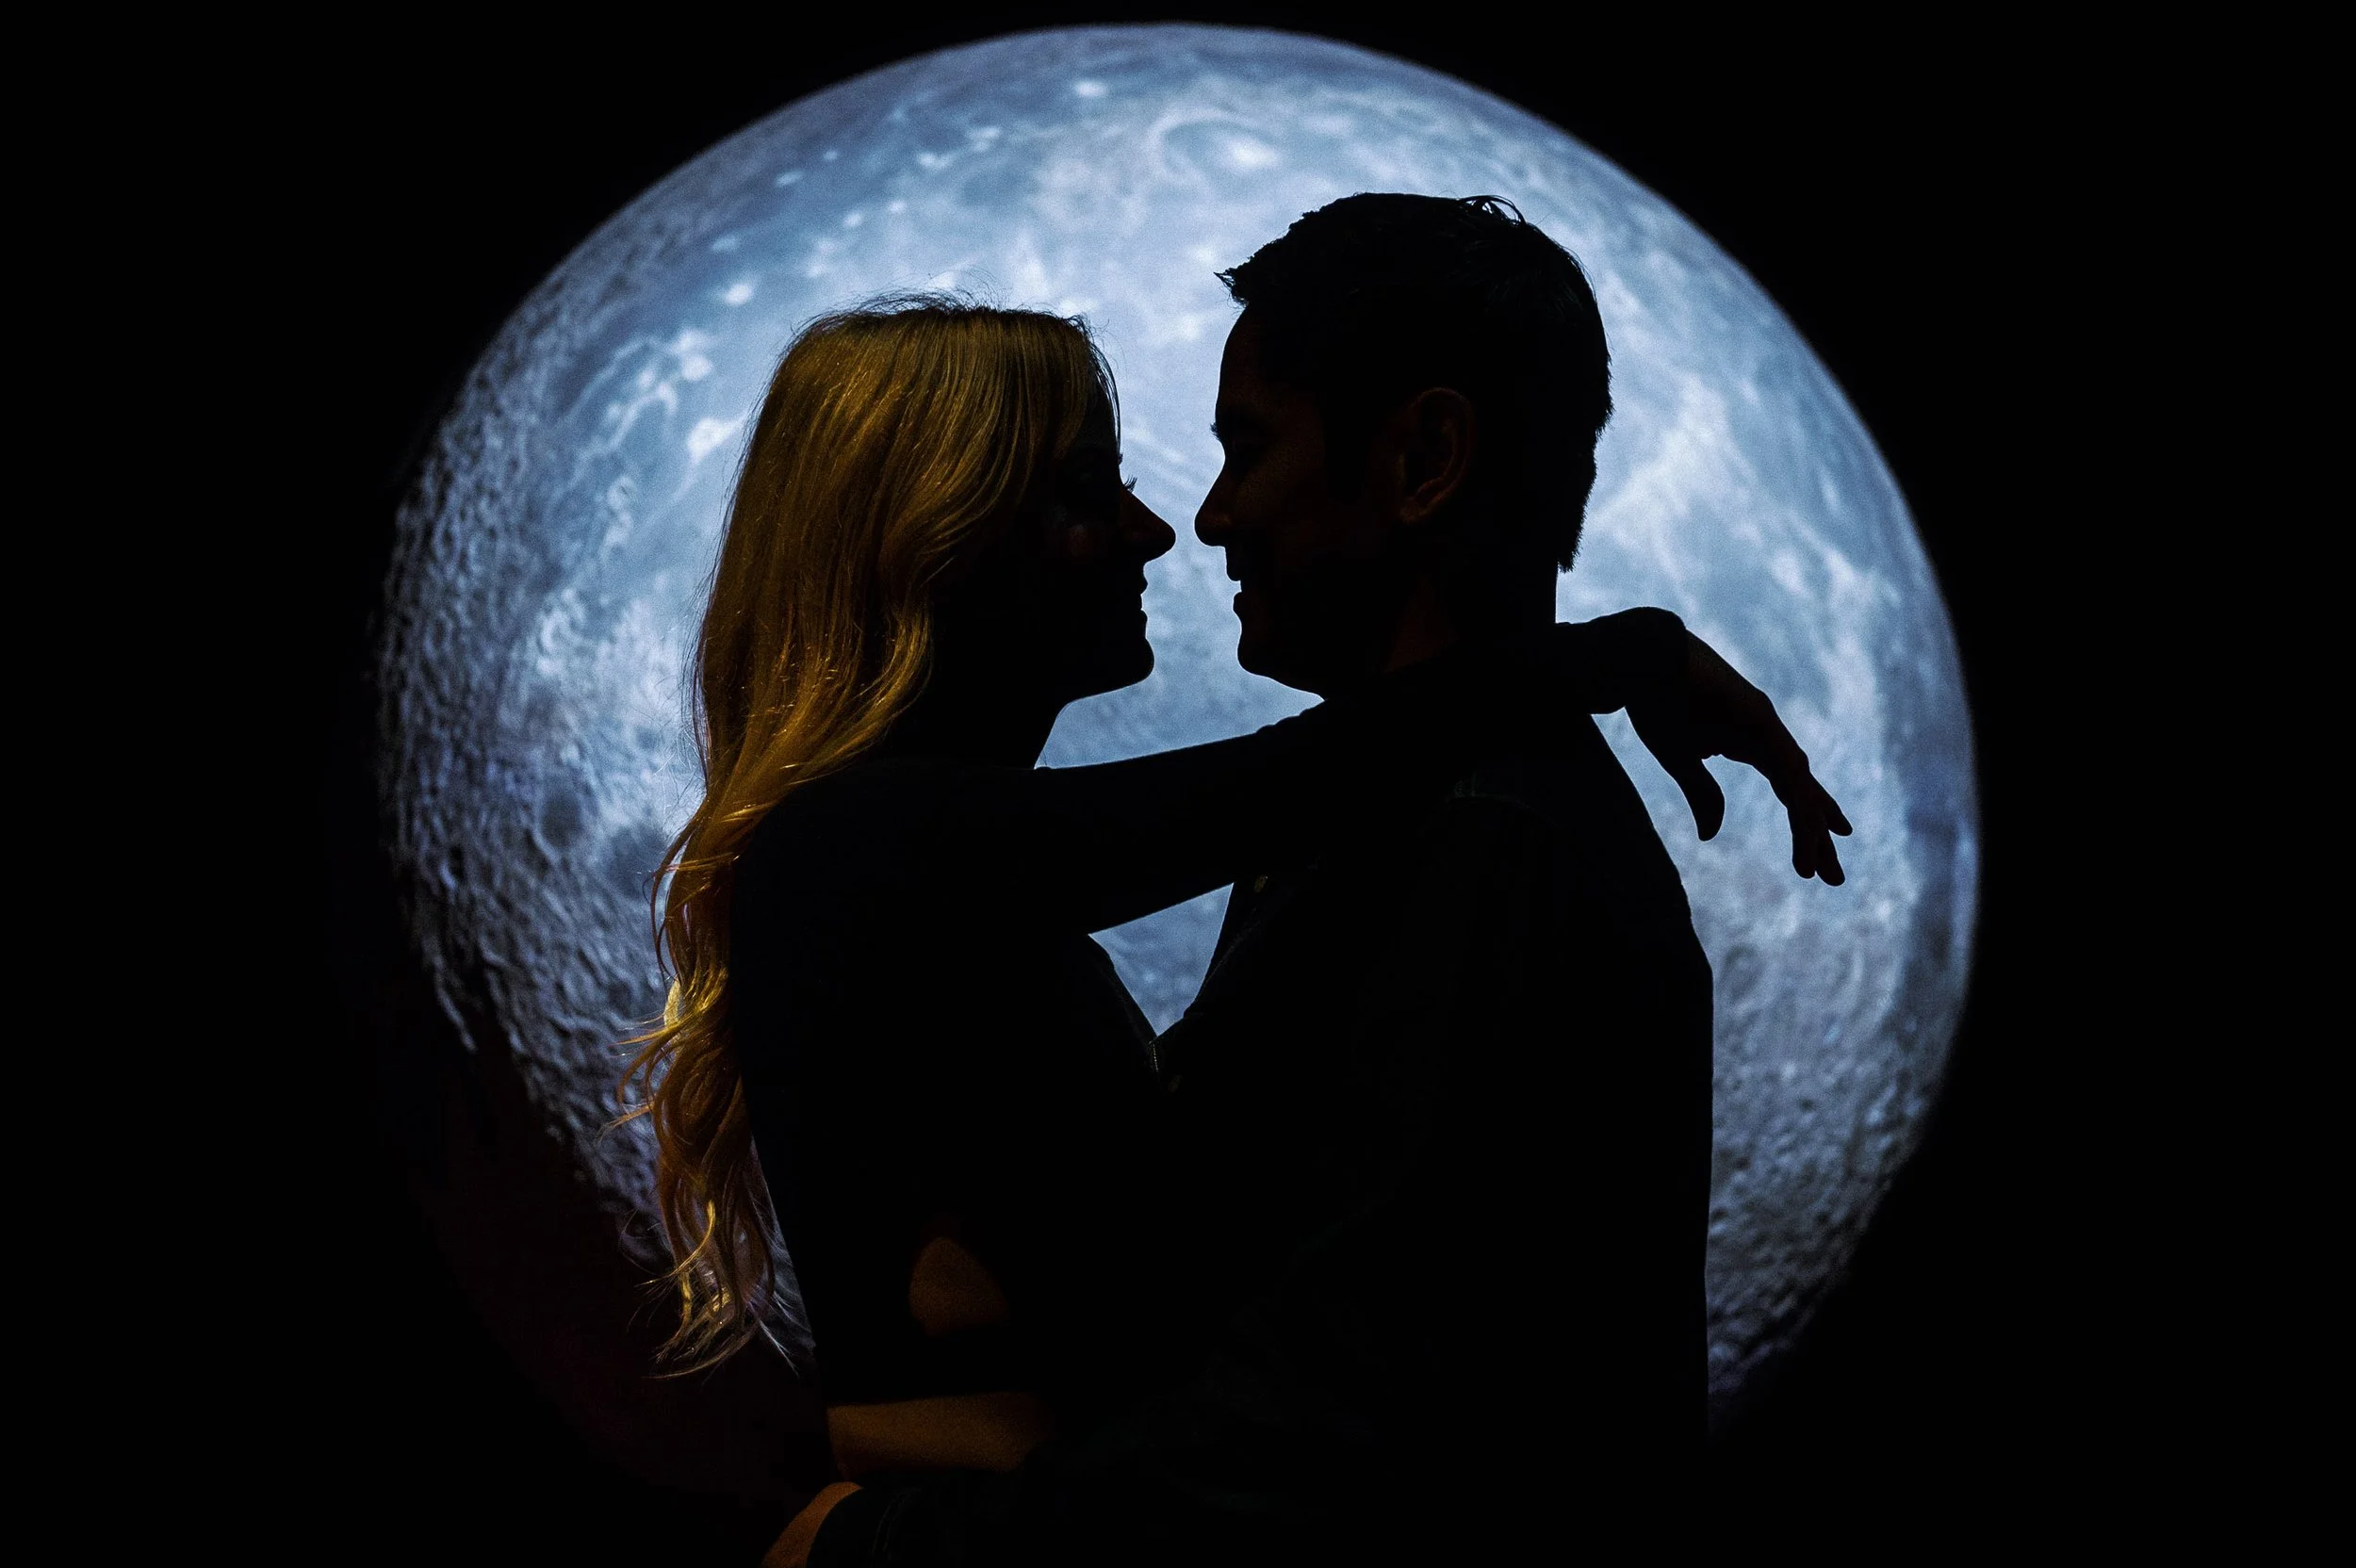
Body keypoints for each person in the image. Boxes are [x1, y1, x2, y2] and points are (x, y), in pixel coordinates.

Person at [614, 289, 1837, 1562]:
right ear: (938, 538)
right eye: (1087, 490)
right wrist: (1621, 656)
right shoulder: (856, 849)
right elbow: (1284, 785)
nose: (1158, 530)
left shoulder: (934, 878)